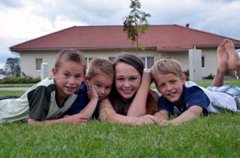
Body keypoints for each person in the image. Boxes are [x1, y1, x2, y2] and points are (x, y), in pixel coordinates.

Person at [151, 39, 240, 125]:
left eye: (173, 81)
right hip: (212, 93)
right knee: (210, 92)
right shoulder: (165, 98)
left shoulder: (193, 92)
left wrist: (172, 123)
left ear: (183, 79)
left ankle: (237, 65)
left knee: (210, 95)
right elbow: (162, 113)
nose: (169, 88)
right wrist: (158, 120)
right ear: (157, 87)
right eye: (162, 85)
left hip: (233, 96)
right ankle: (221, 68)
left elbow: (193, 113)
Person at [0, 49, 98, 125]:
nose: (72, 82)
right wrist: (65, 121)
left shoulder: (75, 91)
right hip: (3, 111)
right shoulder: (45, 89)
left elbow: (81, 118)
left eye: (77, 76)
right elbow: (33, 123)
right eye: (66, 74)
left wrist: (94, 98)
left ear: (84, 78)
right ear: (54, 73)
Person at [99, 53, 159, 125]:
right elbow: (109, 117)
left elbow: (135, 115)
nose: (126, 85)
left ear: (141, 78)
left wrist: (146, 81)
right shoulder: (105, 96)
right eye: (120, 79)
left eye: (132, 78)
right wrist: (140, 120)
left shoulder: (152, 97)